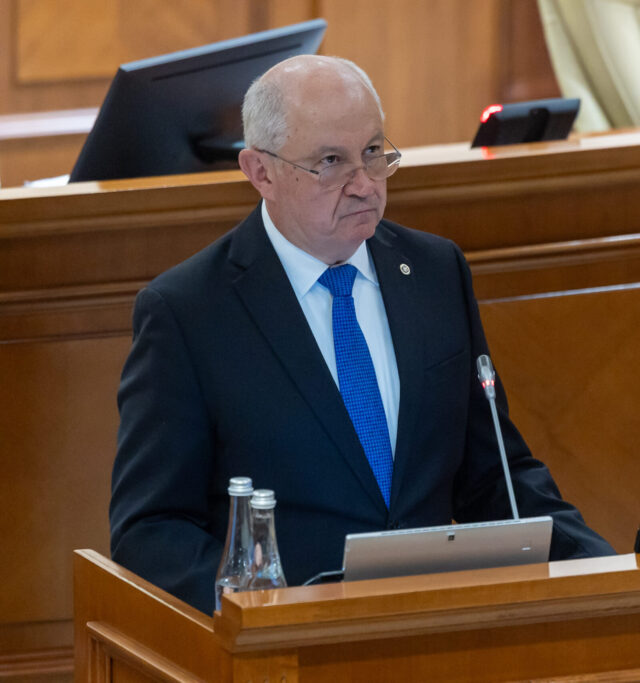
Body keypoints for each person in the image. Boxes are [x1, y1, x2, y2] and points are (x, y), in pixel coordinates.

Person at [109, 55, 614, 615]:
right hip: (291, 641)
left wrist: (603, 567)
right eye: (331, 162)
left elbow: (494, 475)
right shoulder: (188, 312)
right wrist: (265, 613)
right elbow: (151, 528)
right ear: (261, 172)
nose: (364, 185)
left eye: (373, 152)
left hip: (436, 625)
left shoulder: (435, 271)